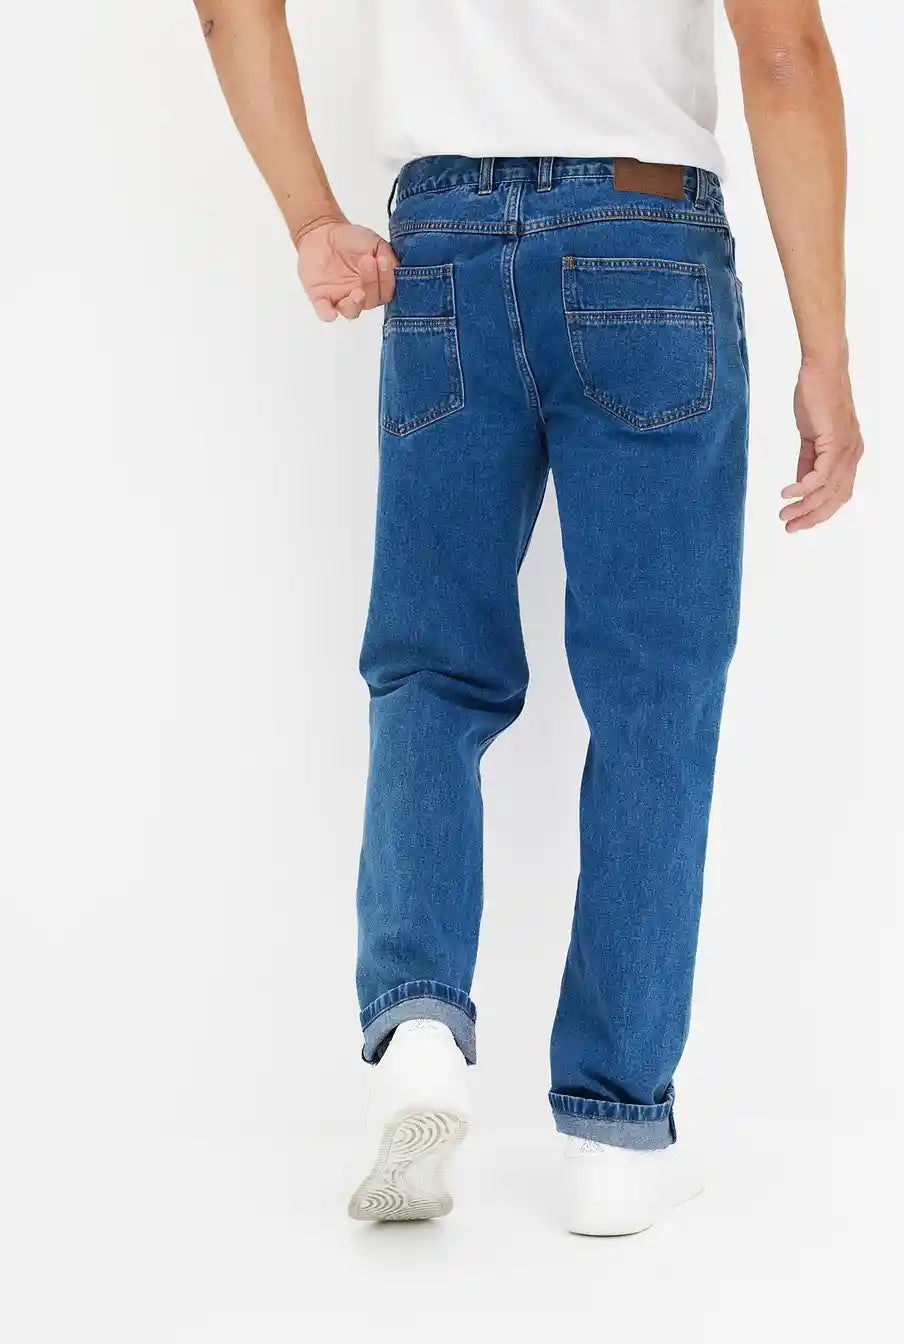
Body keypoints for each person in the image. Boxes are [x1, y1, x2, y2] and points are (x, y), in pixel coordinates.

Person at [196, 0, 863, 1235]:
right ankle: (615, 1137)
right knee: (654, 700)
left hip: (442, 245)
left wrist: (310, 217)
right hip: (648, 243)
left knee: (431, 671)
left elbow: (230, 11)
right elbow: (784, 54)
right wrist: (826, 351)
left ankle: (418, 1028)